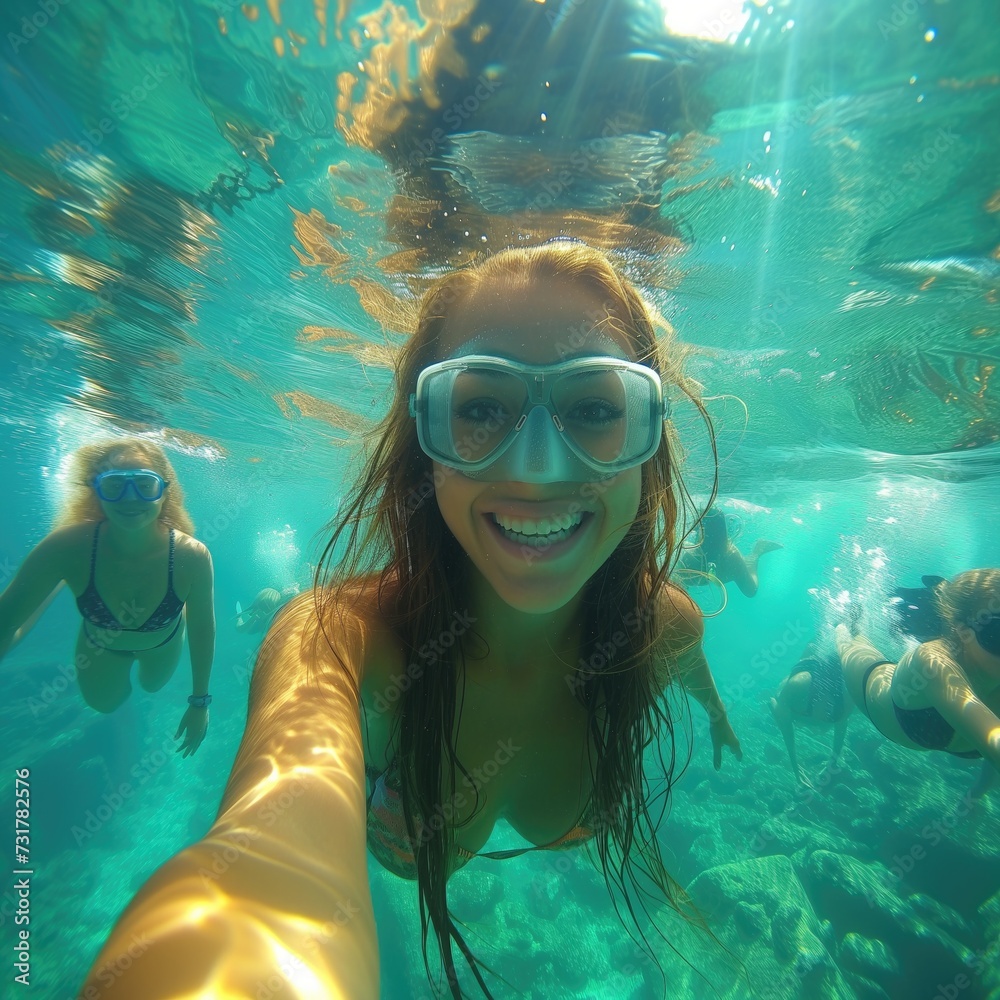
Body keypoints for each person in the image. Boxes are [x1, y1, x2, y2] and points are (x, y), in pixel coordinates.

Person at [80, 241, 742, 999]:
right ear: (421, 446)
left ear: (648, 443)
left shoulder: (663, 624)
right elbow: (258, 882)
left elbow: (691, 667)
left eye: (595, 408)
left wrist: (716, 715)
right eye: (480, 407)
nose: (535, 467)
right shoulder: (339, 640)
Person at [0, 438, 215, 756]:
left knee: (153, 685)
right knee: (104, 704)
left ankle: (174, 610)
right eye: (115, 486)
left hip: (163, 640)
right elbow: (6, 623)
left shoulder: (192, 555)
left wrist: (199, 703)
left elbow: (202, 629)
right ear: (95, 490)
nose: (131, 499)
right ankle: (56, 587)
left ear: (164, 492)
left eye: (145, 484)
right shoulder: (64, 548)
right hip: (100, 646)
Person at [837, 569, 1000, 800]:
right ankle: (847, 623)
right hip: (875, 689)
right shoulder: (933, 663)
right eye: (999, 632)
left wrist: (978, 791)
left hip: (920, 705)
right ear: (962, 630)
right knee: (849, 643)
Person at [769, 647, 852, 789]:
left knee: (828, 721)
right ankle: (813, 649)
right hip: (796, 688)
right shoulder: (797, 686)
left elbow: (841, 724)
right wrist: (795, 766)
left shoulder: (847, 698)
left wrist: (833, 761)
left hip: (825, 677)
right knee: (782, 707)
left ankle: (818, 648)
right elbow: (784, 723)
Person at [678, 505, 782, 597]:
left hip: (727, 561)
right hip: (721, 563)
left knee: (751, 591)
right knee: (750, 591)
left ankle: (757, 551)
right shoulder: (687, 553)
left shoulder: (731, 556)